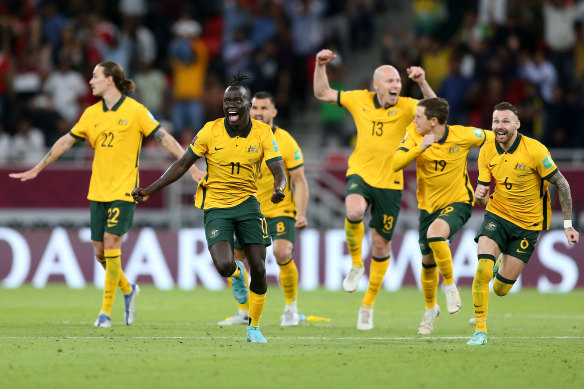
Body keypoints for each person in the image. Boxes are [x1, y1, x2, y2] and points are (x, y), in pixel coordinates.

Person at [9, 61, 202, 328]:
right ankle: (128, 288)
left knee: (112, 243)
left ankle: (104, 313)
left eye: (95, 76)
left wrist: (190, 168)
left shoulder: (136, 111)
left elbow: (165, 138)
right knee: (100, 253)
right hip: (98, 190)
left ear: (110, 80)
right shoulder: (90, 114)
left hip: (125, 190)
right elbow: (66, 141)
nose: (91, 81)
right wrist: (38, 168)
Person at [131, 75, 287, 343]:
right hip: (216, 206)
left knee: (260, 268)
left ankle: (254, 328)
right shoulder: (210, 131)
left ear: (249, 105)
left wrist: (278, 187)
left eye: (238, 100)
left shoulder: (263, 133)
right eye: (227, 101)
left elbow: (277, 168)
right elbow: (181, 164)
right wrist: (150, 189)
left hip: (249, 204)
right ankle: (238, 274)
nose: (231, 105)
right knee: (225, 265)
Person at [313, 48, 436, 330]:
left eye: (398, 81)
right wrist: (320, 65)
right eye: (390, 81)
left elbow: (437, 111)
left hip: (391, 182)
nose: (396, 85)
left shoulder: (407, 106)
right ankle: (356, 264)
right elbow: (322, 93)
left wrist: (422, 82)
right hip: (361, 173)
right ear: (376, 85)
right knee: (354, 210)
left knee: (380, 245)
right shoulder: (359, 99)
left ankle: (367, 305)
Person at [467, 102, 579, 345]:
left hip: (528, 225)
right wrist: (480, 196)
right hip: (497, 215)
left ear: (517, 124)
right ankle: (480, 330)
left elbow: (562, 184)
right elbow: (484, 193)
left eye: (506, 121)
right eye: (496, 121)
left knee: (500, 290)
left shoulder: (535, 151)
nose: (500, 126)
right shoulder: (487, 150)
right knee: (483, 270)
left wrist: (568, 225)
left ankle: (500, 267)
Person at [392, 97, 493, 334]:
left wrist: (488, 175)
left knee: (435, 234)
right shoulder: (415, 133)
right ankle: (430, 310)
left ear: (433, 121)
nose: (414, 120)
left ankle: (450, 286)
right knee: (427, 261)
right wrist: (420, 147)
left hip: (459, 201)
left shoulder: (463, 135)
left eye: (419, 116)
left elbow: (493, 139)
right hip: (428, 207)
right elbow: (395, 163)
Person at [217, 91, 309, 327]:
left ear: (274, 112)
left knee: (281, 253)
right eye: (255, 108)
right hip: (247, 209)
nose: (258, 112)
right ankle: (243, 311)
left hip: (280, 210)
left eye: (264, 108)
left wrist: (302, 212)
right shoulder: (241, 136)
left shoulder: (286, 140)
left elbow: (299, 179)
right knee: (235, 259)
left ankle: (291, 308)